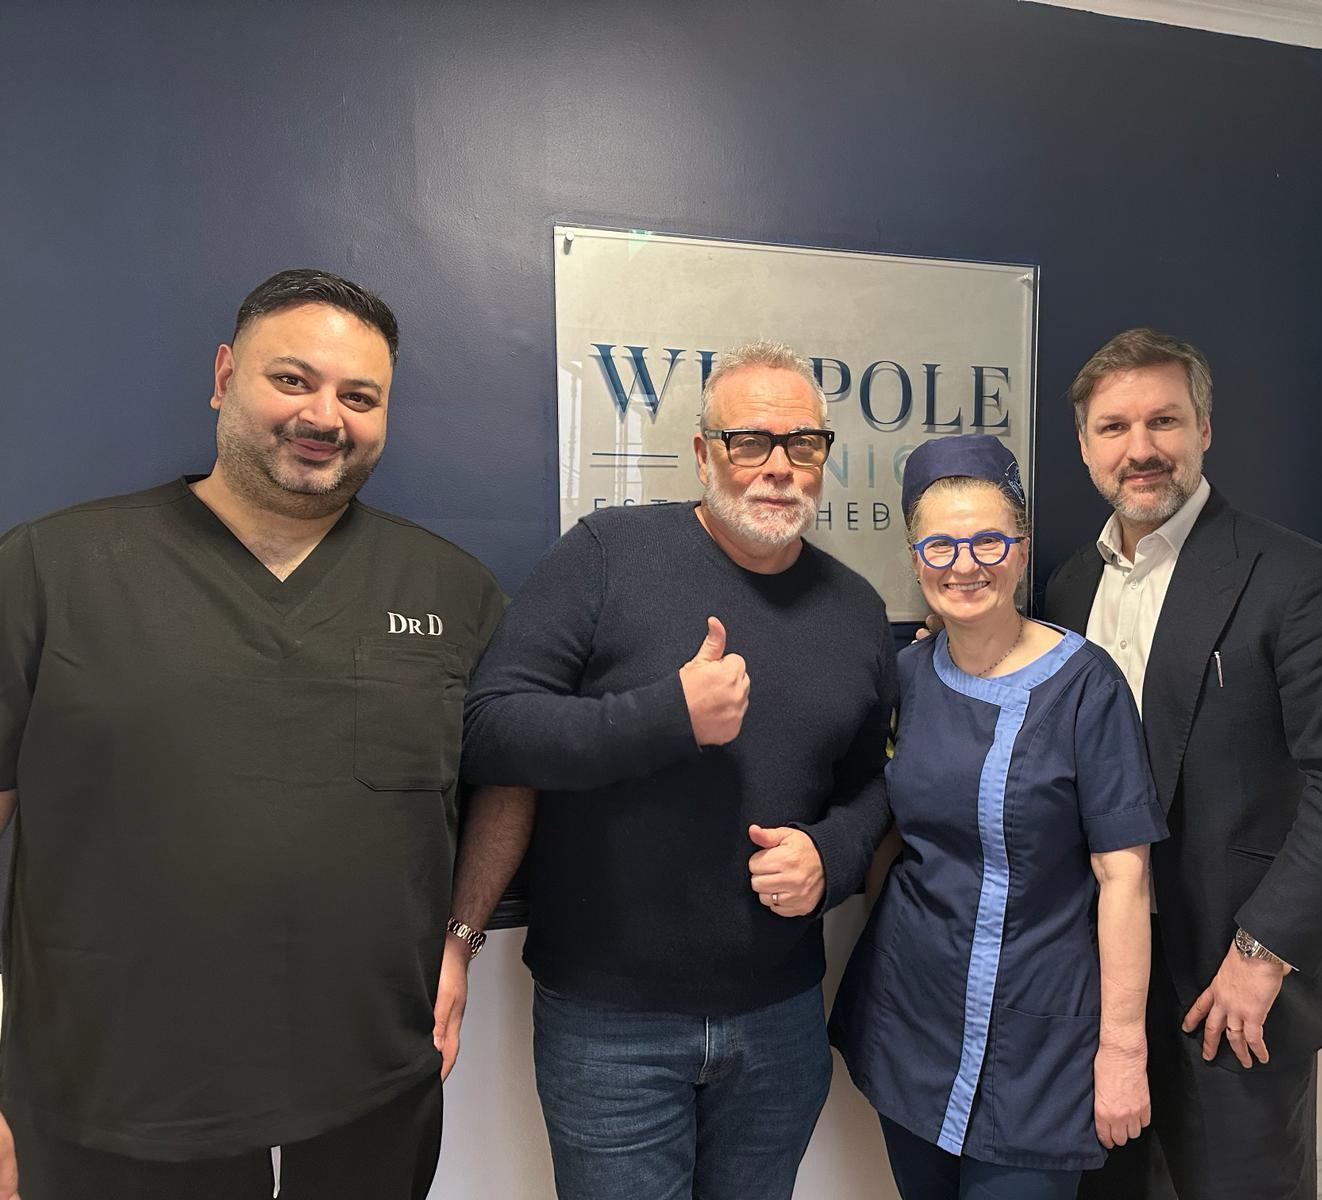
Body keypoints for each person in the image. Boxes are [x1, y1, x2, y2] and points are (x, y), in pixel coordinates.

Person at [0, 269, 520, 1200]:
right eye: (294, 379)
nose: (326, 415)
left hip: (374, 1090)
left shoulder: (452, 590)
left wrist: (461, 938)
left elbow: (506, 780)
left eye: (360, 396)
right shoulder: (50, 569)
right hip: (113, 1100)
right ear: (223, 377)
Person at [449, 340, 896, 1200]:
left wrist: (833, 856)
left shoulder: (856, 608)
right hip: (610, 1028)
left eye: (804, 445)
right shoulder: (606, 554)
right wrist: (666, 717)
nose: (779, 467)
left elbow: (874, 782)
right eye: (749, 442)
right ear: (701, 453)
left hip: (779, 1021)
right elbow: (491, 730)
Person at [1047, 328, 1322, 1200]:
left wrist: (1263, 955)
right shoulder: (1069, 589)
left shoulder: (1300, 579)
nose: (1139, 449)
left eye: (1163, 420)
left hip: (1233, 984)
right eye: (1113, 427)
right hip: (1099, 981)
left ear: (1204, 430)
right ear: (1085, 446)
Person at [830, 434, 1169, 1200]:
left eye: (988, 540)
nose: (965, 564)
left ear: (1021, 552)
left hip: (1040, 1037)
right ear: (916, 558)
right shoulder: (907, 676)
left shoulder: (1087, 686)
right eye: (940, 545)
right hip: (912, 1014)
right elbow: (890, 834)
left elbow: (1124, 876)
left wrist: (1122, 1050)